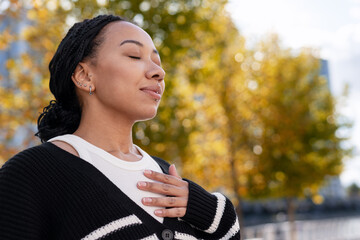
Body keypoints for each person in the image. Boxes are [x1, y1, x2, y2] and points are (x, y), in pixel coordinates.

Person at [0, 14, 240, 240]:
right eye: (134, 56)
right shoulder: (31, 174)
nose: (159, 72)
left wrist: (201, 206)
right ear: (84, 76)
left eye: (157, 62)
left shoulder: (166, 174)